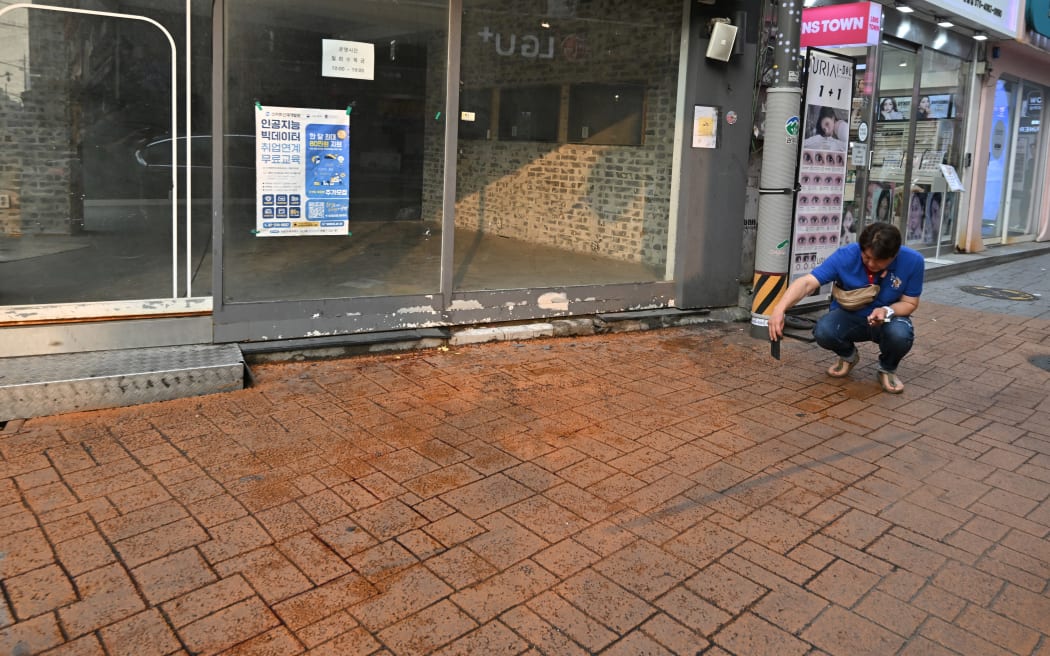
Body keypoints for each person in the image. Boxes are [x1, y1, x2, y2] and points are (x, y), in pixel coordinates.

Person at [768, 222, 923, 394]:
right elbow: (807, 283)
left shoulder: (913, 261)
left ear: (893, 256)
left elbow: (910, 303)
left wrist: (887, 311)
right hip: (851, 316)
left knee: (900, 336)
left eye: (878, 261)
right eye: (866, 257)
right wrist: (779, 309)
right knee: (824, 331)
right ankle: (848, 355)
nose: (871, 264)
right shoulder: (846, 255)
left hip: (888, 319)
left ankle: (887, 368)